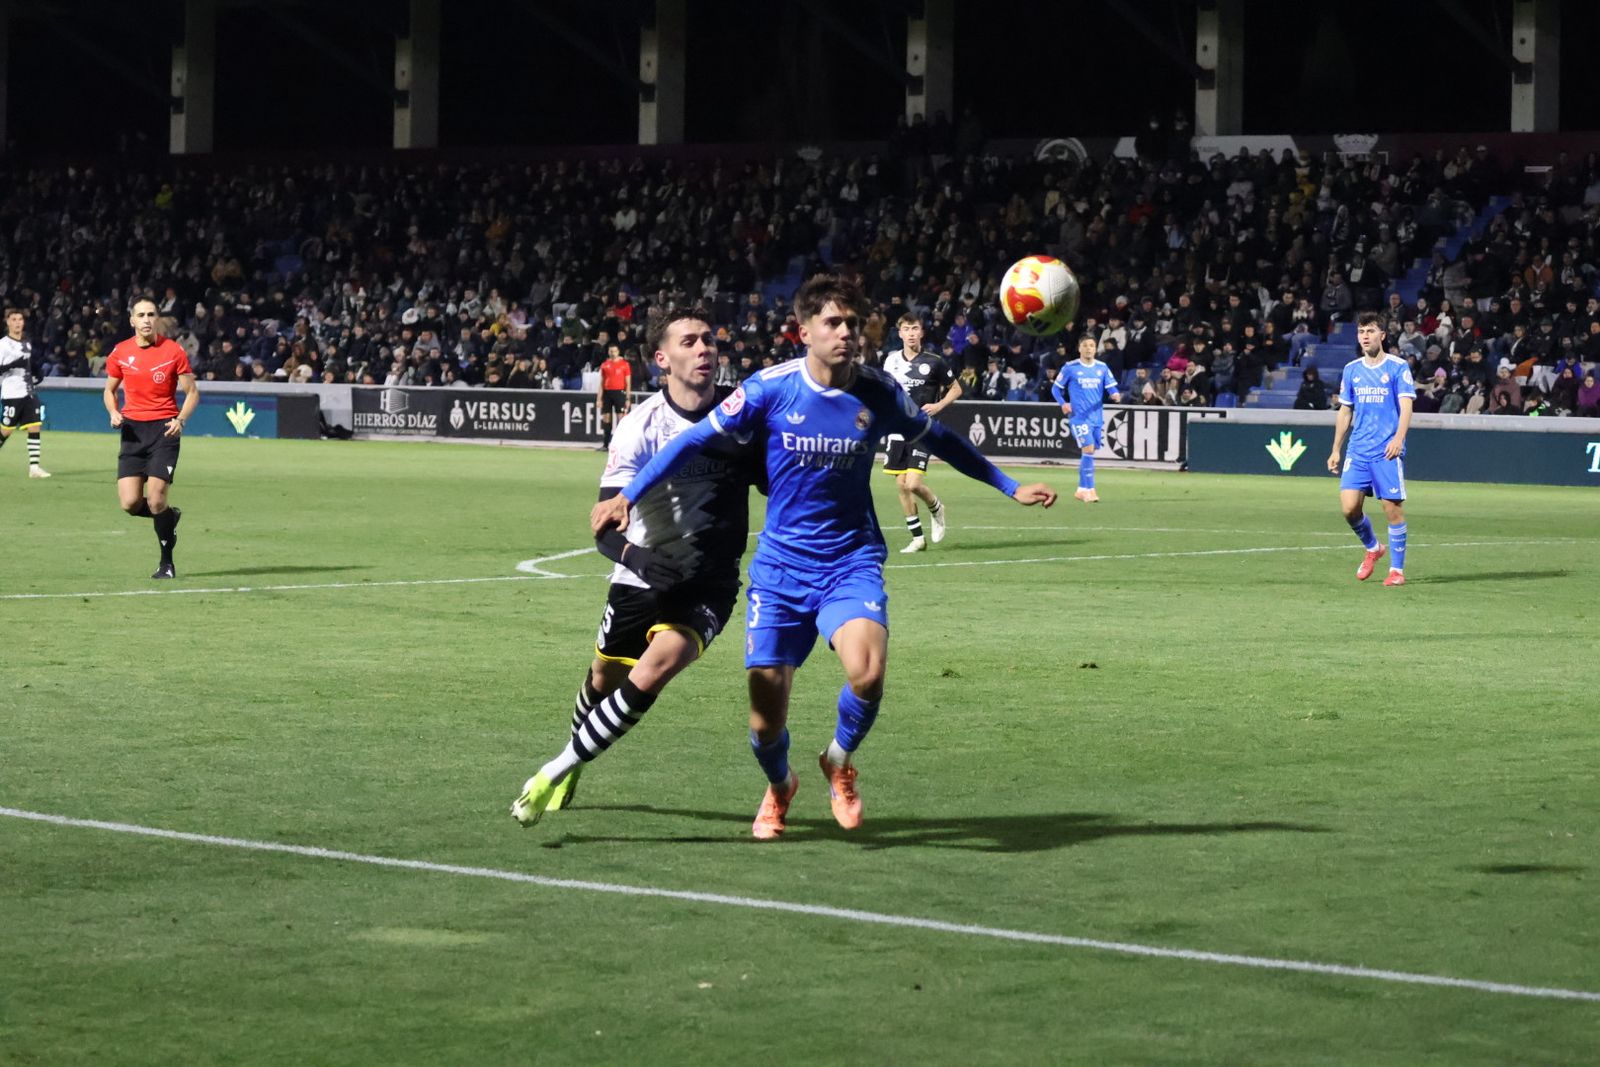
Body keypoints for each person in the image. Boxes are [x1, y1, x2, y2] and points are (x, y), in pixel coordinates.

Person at [591, 275, 1056, 840]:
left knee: (869, 671)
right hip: (781, 570)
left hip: (850, 560)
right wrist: (627, 494)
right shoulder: (770, 389)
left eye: (853, 325)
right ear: (804, 330)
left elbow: (940, 438)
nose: (846, 334)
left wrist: (1009, 486)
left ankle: (838, 760)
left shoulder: (878, 391)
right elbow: (688, 441)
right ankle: (780, 785)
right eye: (834, 323)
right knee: (765, 726)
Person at [511, 310, 762, 827]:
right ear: (662, 359)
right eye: (689, 341)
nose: (704, 349)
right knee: (604, 675)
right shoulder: (638, 428)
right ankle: (577, 754)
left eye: (710, 339)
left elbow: (775, 479)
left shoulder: (744, 416)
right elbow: (605, 525)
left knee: (656, 668)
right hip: (640, 575)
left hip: (708, 582)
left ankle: (557, 769)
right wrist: (636, 557)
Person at [103, 298, 198, 579]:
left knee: (156, 500)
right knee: (130, 504)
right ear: (131, 320)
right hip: (132, 431)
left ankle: (166, 563)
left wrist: (180, 420)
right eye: (140, 315)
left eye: (151, 314)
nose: (146, 319)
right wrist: (112, 411)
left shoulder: (173, 351)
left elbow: (192, 392)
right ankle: (169, 517)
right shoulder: (120, 352)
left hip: (163, 430)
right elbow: (109, 390)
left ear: (157, 319)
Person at [1327, 311, 1415, 588]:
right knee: (1349, 509)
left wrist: (1399, 438)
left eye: (1370, 331)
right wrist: (1336, 449)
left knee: (1392, 510)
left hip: (1386, 450)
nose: (1365, 336)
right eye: (1361, 332)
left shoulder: (1397, 367)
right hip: (1358, 450)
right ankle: (1374, 548)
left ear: (1383, 335)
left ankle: (1396, 571)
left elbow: (1406, 405)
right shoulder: (1352, 370)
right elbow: (1345, 411)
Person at [880, 313, 961, 552]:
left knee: (913, 483)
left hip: (923, 428)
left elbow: (956, 389)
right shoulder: (890, 360)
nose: (912, 332)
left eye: (915, 328)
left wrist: (937, 406)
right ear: (901, 333)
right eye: (907, 328)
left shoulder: (934, 361)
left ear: (921, 333)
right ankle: (917, 538)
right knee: (902, 486)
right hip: (896, 428)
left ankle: (937, 508)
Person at [1051, 335, 1121, 503]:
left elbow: (1111, 386)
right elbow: (1055, 389)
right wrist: (1063, 403)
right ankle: (1091, 489)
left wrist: (1115, 394)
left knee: (1089, 452)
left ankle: (1082, 489)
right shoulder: (1070, 367)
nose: (1089, 348)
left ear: (1096, 349)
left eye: (1091, 345)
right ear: (1079, 348)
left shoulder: (1102, 367)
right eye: (1085, 345)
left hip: (1096, 417)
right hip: (1079, 417)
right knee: (1088, 449)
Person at [0, 308, 50, 477]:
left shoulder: (26, 343)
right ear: (7, 322)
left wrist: (37, 372)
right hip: (11, 393)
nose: (17, 322)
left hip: (28, 391)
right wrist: (13, 364)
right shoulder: (3, 344)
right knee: (6, 431)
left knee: (35, 426)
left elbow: (27, 363)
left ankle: (34, 468)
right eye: (13, 319)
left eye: (20, 319)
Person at [596, 342, 631, 450]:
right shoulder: (605, 365)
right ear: (608, 352)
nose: (613, 353)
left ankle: (621, 445)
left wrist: (628, 398)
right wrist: (599, 398)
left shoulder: (624, 364)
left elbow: (628, 383)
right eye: (611, 351)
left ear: (618, 352)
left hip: (619, 392)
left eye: (615, 351)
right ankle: (606, 444)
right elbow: (601, 383)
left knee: (621, 419)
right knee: (606, 418)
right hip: (607, 393)